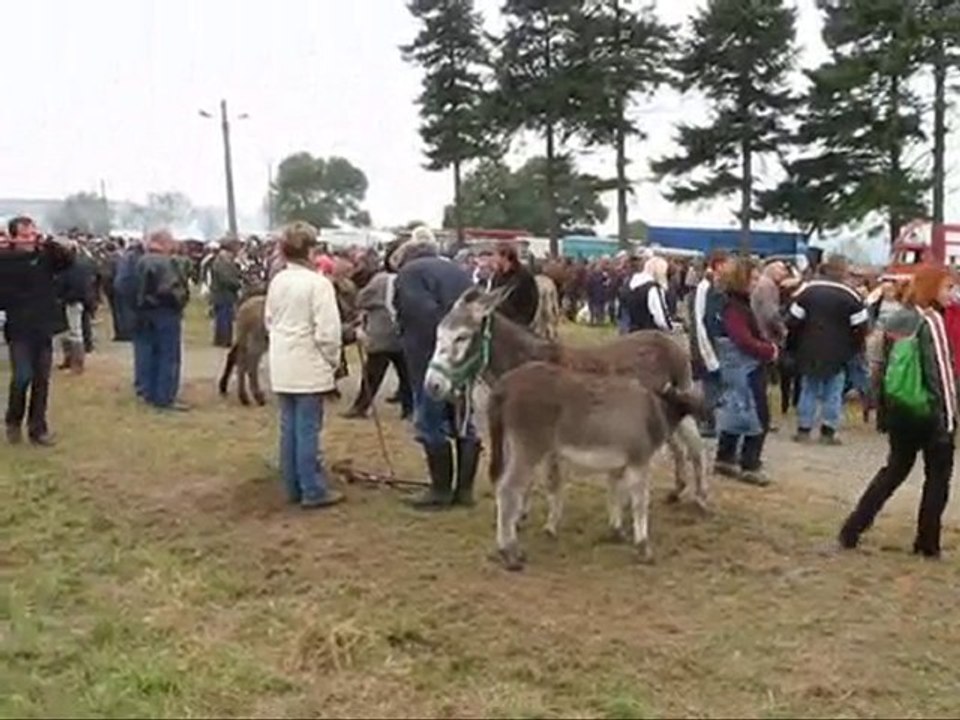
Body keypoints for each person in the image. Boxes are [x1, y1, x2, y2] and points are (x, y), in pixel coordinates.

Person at [839, 265, 958, 558]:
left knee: (893, 471)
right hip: (930, 411)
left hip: (901, 407)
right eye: (947, 287)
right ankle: (927, 542)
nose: (952, 294)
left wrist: (880, 406)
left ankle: (853, 527)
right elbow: (941, 372)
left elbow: (880, 365)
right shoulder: (931, 322)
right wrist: (951, 416)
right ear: (932, 289)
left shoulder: (897, 318)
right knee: (938, 477)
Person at [392, 226, 480, 509]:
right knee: (464, 421)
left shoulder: (409, 274)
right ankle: (464, 492)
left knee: (431, 422)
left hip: (430, 358)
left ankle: (440, 491)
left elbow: (423, 316)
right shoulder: (459, 271)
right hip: (463, 359)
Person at [265, 221, 344, 509]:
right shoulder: (318, 284)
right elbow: (328, 332)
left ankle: (292, 487)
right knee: (308, 429)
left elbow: (269, 320)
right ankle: (312, 489)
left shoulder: (278, 281)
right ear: (310, 250)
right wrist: (332, 361)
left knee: (289, 429)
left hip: (283, 363)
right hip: (309, 364)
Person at [0, 217, 73, 446]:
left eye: (33, 234)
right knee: (22, 377)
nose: (30, 239)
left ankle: (38, 428)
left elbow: (67, 259)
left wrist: (50, 242)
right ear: (13, 237)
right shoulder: (4, 261)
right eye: (24, 235)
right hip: (19, 329)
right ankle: (13, 420)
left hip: (43, 327)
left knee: (42, 380)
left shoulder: (45, 258)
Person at [787, 255, 868, 444]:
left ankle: (804, 429)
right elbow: (861, 327)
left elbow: (793, 320)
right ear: (844, 271)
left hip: (809, 348)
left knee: (809, 389)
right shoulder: (852, 295)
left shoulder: (808, 291)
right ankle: (828, 431)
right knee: (834, 391)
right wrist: (853, 347)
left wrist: (794, 345)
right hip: (839, 351)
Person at [713, 257, 778, 486]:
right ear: (741, 279)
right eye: (753, 277)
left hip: (738, 366)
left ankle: (725, 456)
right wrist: (768, 350)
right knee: (757, 414)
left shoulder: (731, 303)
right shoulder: (735, 307)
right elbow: (742, 339)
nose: (757, 281)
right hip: (745, 366)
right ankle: (750, 464)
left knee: (737, 409)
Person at [343, 246, 412, 420]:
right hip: (402, 333)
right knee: (406, 376)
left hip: (381, 332)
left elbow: (361, 299)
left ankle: (360, 407)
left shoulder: (380, 280)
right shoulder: (409, 279)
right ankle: (409, 409)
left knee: (372, 374)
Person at [134, 230, 190, 410]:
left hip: (143, 313)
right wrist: (181, 300)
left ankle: (149, 392)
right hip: (165, 313)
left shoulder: (140, 261)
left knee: (149, 354)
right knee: (168, 356)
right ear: (163, 242)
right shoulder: (166, 263)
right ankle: (165, 397)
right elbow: (170, 289)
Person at [688, 251, 729, 438]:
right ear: (718, 264)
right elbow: (701, 319)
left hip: (713, 343)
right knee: (711, 384)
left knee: (714, 384)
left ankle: (710, 420)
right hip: (707, 344)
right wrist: (706, 350)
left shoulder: (715, 286)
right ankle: (707, 420)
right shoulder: (705, 288)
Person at [489, 242, 538, 326]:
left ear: (505, 257)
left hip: (517, 323)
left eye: (495, 256)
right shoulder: (497, 276)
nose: (493, 259)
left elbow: (531, 304)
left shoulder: (523, 276)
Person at [624, 255, 672, 332]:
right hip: (650, 334)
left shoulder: (631, 285)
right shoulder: (653, 288)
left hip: (633, 331)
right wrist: (670, 327)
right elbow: (660, 317)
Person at [210, 245, 243, 347]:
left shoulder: (226, 263)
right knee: (224, 319)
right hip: (223, 295)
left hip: (226, 295)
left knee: (224, 319)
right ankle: (224, 340)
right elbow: (226, 279)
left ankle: (222, 339)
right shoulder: (220, 264)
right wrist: (237, 284)